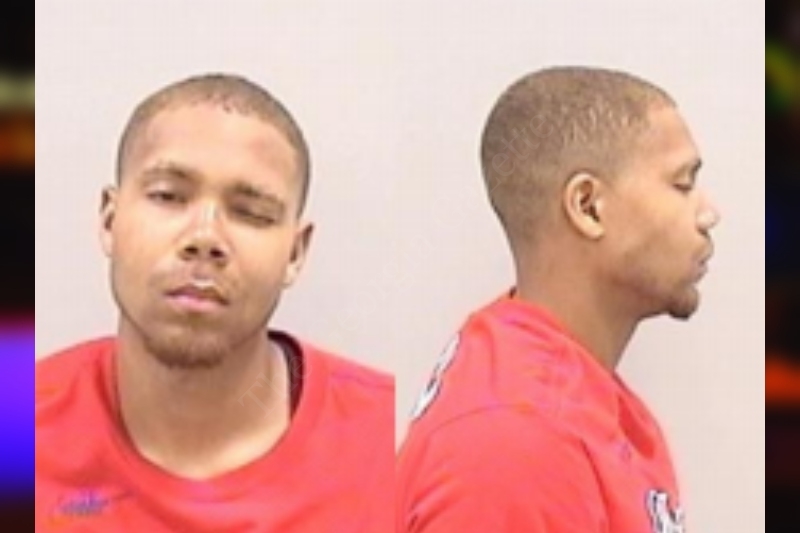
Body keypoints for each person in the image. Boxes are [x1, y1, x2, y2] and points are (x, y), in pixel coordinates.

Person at [35, 73, 394, 532]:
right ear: (110, 219)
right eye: (168, 196)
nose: (205, 237)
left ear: (295, 252)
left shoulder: (389, 444)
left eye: (251, 213)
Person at [396, 66, 720, 532]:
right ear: (588, 207)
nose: (709, 214)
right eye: (682, 184)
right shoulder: (514, 446)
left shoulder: (568, 395)